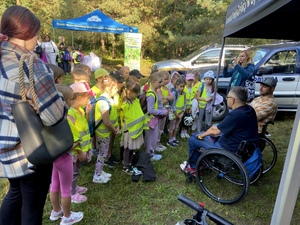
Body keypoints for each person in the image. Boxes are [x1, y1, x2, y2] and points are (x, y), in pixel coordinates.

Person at [0, 5, 67, 225]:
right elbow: (53, 116)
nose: (38, 39)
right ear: (29, 33)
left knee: (15, 193)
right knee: (32, 204)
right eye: (37, 34)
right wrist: (63, 102)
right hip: (31, 150)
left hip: (5, 147)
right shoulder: (31, 64)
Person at [182, 86, 259, 174]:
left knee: (194, 138)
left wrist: (201, 135)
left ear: (232, 100)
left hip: (227, 149)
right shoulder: (250, 109)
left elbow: (216, 131)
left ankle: (193, 168)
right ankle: (201, 162)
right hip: (244, 147)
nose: (226, 99)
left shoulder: (235, 115)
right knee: (213, 128)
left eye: (228, 97)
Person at [49, 84, 83, 225]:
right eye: (70, 98)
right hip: (64, 157)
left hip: (54, 158)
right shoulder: (65, 119)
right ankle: (68, 216)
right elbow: (68, 143)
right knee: (66, 189)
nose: (72, 101)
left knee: (54, 185)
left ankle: (56, 210)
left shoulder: (50, 117)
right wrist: (77, 143)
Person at [68, 82, 93, 203]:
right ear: (79, 98)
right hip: (76, 150)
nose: (89, 99)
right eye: (87, 97)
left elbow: (85, 125)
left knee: (76, 170)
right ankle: (71, 193)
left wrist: (87, 113)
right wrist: (79, 151)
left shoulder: (80, 111)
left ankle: (74, 187)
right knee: (73, 172)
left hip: (82, 148)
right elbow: (73, 136)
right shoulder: (71, 114)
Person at [120, 78, 149, 174]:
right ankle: (126, 165)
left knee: (131, 148)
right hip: (129, 130)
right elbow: (126, 117)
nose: (137, 94)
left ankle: (130, 162)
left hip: (135, 129)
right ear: (129, 92)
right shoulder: (125, 104)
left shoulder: (135, 101)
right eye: (136, 92)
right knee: (128, 148)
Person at [93, 75, 119, 183]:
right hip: (103, 134)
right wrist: (114, 130)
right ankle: (97, 175)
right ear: (108, 89)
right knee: (102, 154)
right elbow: (106, 121)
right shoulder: (103, 103)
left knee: (103, 153)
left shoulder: (107, 99)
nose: (117, 90)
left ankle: (100, 171)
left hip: (106, 133)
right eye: (115, 88)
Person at [144, 72, 168, 161]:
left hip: (154, 119)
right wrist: (163, 112)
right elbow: (150, 110)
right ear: (153, 82)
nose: (161, 84)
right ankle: (149, 154)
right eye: (159, 82)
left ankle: (150, 152)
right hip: (151, 119)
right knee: (151, 137)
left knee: (153, 137)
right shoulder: (151, 94)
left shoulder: (155, 92)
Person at [156, 71, 173, 152]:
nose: (166, 81)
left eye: (167, 79)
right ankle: (155, 143)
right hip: (159, 112)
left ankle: (158, 142)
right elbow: (162, 102)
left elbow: (171, 97)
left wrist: (165, 97)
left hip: (164, 112)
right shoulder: (158, 89)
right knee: (158, 127)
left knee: (161, 128)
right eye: (164, 79)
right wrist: (166, 98)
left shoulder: (166, 88)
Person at [167, 78, 186, 147]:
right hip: (174, 113)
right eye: (181, 86)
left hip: (180, 113)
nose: (182, 88)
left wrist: (183, 112)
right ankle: (170, 140)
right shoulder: (174, 93)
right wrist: (176, 114)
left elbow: (185, 103)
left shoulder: (184, 93)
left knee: (176, 126)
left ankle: (174, 138)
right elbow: (172, 104)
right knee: (172, 127)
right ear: (177, 85)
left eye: (183, 86)